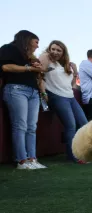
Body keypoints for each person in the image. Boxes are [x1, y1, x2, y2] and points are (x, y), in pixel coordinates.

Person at [0, 30, 49, 169]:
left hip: (33, 91)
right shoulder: (8, 48)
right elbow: (5, 67)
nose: (38, 46)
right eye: (36, 42)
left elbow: (39, 77)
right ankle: (22, 160)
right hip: (15, 89)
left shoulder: (32, 57)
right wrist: (29, 68)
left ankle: (32, 159)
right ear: (27, 40)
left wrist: (38, 70)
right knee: (20, 125)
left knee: (32, 127)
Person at [38, 40, 88, 163]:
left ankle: (84, 151)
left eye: (58, 50)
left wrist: (75, 72)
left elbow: (71, 85)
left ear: (63, 53)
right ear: (49, 49)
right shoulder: (46, 57)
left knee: (84, 123)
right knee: (70, 125)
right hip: (57, 96)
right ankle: (73, 156)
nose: (55, 52)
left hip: (70, 96)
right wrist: (43, 92)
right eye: (53, 49)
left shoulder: (63, 65)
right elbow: (39, 75)